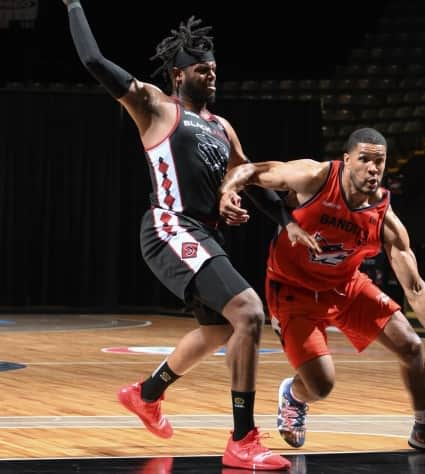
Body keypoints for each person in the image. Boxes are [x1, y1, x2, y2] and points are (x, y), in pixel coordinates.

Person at [62, 1, 320, 470]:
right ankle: (243, 440)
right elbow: (94, 61)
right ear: (179, 76)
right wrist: (74, 4)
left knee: (219, 327)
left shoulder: (223, 128)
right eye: (203, 70)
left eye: (216, 69)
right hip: (168, 225)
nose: (213, 76)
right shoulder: (156, 106)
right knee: (248, 311)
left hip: (202, 232)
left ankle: (146, 394)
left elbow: (252, 179)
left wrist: (286, 223)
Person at [219, 127, 425, 450]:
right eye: (364, 160)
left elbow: (416, 288)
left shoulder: (385, 219)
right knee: (321, 384)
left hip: (344, 285)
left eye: (379, 162)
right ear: (346, 160)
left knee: (411, 346)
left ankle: (423, 428)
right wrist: (227, 193)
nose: (373, 169)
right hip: (292, 290)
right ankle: (294, 396)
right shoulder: (314, 177)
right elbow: (249, 171)